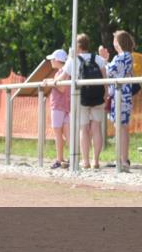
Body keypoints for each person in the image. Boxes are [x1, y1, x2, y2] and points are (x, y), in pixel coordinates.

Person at [53, 34, 108, 168]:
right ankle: (96, 161)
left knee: (83, 128)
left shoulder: (73, 60)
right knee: (96, 127)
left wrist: (53, 81)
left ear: (77, 46)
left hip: (81, 98)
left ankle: (86, 161)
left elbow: (63, 77)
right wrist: (105, 94)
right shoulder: (99, 59)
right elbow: (105, 79)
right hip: (97, 97)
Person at [100, 30, 136, 170]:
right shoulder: (126, 56)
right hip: (122, 95)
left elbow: (109, 72)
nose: (113, 42)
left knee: (120, 127)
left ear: (119, 42)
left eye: (115, 40)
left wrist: (103, 61)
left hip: (121, 95)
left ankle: (122, 160)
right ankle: (122, 158)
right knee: (122, 127)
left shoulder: (123, 56)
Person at [43, 49, 71, 169]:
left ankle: (59, 159)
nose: (51, 62)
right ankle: (71, 157)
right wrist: (51, 81)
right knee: (66, 133)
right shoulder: (63, 72)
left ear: (57, 60)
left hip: (59, 106)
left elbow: (62, 88)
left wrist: (51, 83)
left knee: (58, 133)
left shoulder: (62, 72)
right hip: (65, 106)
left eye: (52, 59)